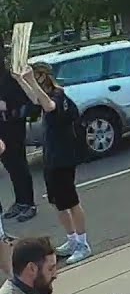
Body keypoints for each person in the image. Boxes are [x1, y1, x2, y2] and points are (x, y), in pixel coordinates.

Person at [13, 64, 92, 263]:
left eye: (38, 77)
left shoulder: (58, 95)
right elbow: (35, 99)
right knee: (58, 202)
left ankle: (83, 244)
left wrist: (30, 80)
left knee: (71, 201)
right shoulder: (46, 95)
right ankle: (72, 239)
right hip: (51, 156)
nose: (36, 81)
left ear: (45, 76)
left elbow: (48, 105)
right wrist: (20, 80)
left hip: (64, 156)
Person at [0, 42, 35, 222]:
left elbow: (29, 104)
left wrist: (8, 109)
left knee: (19, 164)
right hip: (1, 128)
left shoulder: (11, 76)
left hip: (13, 126)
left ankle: (28, 203)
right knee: (9, 165)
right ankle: (20, 201)